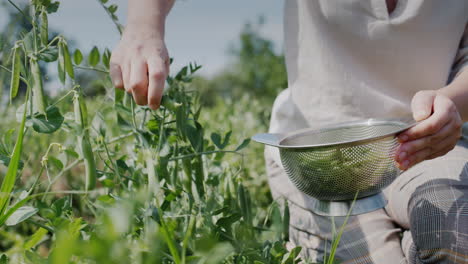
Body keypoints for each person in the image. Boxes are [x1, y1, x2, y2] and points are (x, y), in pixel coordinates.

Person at [110, 0, 468, 263]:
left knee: (456, 238)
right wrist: (143, 26)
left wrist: (450, 101)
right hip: (315, 157)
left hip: (426, 144)